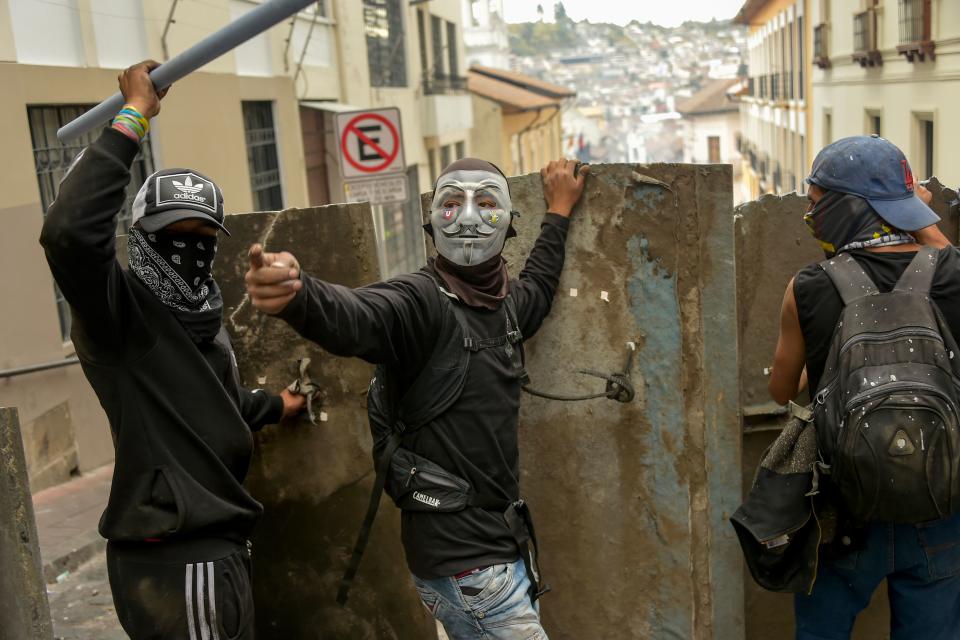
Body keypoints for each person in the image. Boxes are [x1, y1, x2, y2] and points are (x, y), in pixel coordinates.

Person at [244, 156, 588, 638]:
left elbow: (541, 284)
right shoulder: (420, 302)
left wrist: (560, 210)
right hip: (467, 568)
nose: (468, 217)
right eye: (452, 203)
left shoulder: (505, 307)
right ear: (432, 223)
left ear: (510, 222)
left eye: (486, 203)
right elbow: (360, 315)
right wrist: (300, 297)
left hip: (500, 550)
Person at [39, 61, 306, 640]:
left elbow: (218, 400)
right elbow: (67, 233)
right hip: (179, 553)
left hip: (211, 552)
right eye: (172, 236)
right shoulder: (121, 316)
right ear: (140, 238)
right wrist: (134, 116)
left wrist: (277, 405)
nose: (190, 249)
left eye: (203, 239)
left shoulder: (203, 316)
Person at [768, 134, 960, 640]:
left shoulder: (806, 286)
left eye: (815, 204)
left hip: (841, 510)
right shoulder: (954, 274)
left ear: (849, 208)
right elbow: (945, 257)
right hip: (940, 503)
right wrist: (920, 217)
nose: (810, 216)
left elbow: (781, 389)